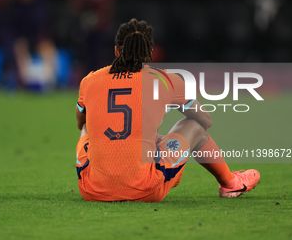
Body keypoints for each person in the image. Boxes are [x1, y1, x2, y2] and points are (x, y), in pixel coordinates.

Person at [75, 18, 260, 202]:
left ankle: (102, 179)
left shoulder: (89, 80)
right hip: (145, 189)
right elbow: (205, 120)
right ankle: (231, 183)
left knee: (86, 129)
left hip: (92, 190)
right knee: (193, 126)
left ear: (116, 51)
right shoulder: (165, 80)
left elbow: (81, 122)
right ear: (151, 53)